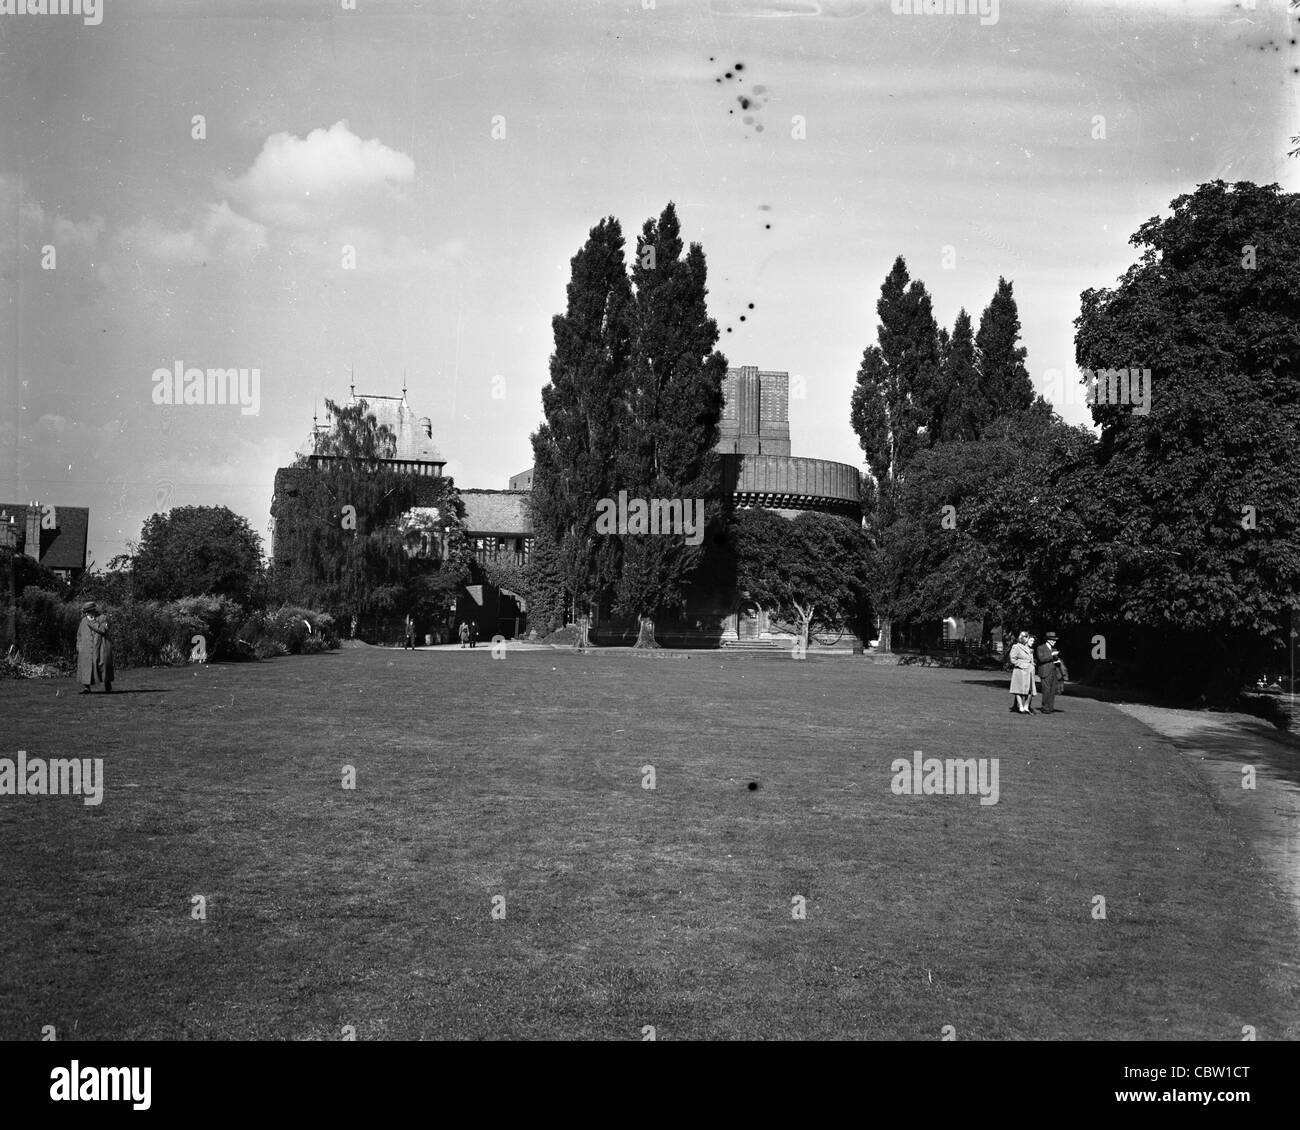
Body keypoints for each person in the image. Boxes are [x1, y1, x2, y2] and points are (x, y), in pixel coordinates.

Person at [76, 600, 113, 694]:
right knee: (86, 667)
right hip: (86, 649)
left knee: (103, 665)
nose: (87, 613)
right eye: (86, 612)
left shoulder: (103, 618)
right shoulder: (83, 620)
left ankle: (107, 685)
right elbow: (79, 634)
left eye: (88, 611)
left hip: (101, 647)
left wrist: (93, 622)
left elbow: (103, 630)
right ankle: (86, 688)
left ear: (93, 610)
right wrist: (79, 647)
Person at [1036, 631, 1063, 713]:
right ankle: (1045, 708)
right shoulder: (1040, 648)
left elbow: (1053, 660)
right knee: (1046, 690)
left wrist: (1057, 661)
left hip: (1053, 671)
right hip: (1045, 672)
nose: (1054, 642)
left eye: (1055, 640)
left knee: (1052, 691)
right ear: (1048, 640)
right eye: (1053, 640)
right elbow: (1041, 659)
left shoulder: (1054, 649)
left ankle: (1050, 708)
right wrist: (1052, 655)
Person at [1008, 631, 1034, 714]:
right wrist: (1022, 665)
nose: (1027, 638)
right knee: (1018, 689)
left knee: (1030, 690)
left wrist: (1032, 666)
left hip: (1029, 671)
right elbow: (1012, 659)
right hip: (1020, 671)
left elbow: (1031, 659)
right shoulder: (1016, 647)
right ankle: (1021, 707)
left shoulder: (1029, 648)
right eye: (1025, 637)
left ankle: (1026, 706)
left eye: (1027, 637)